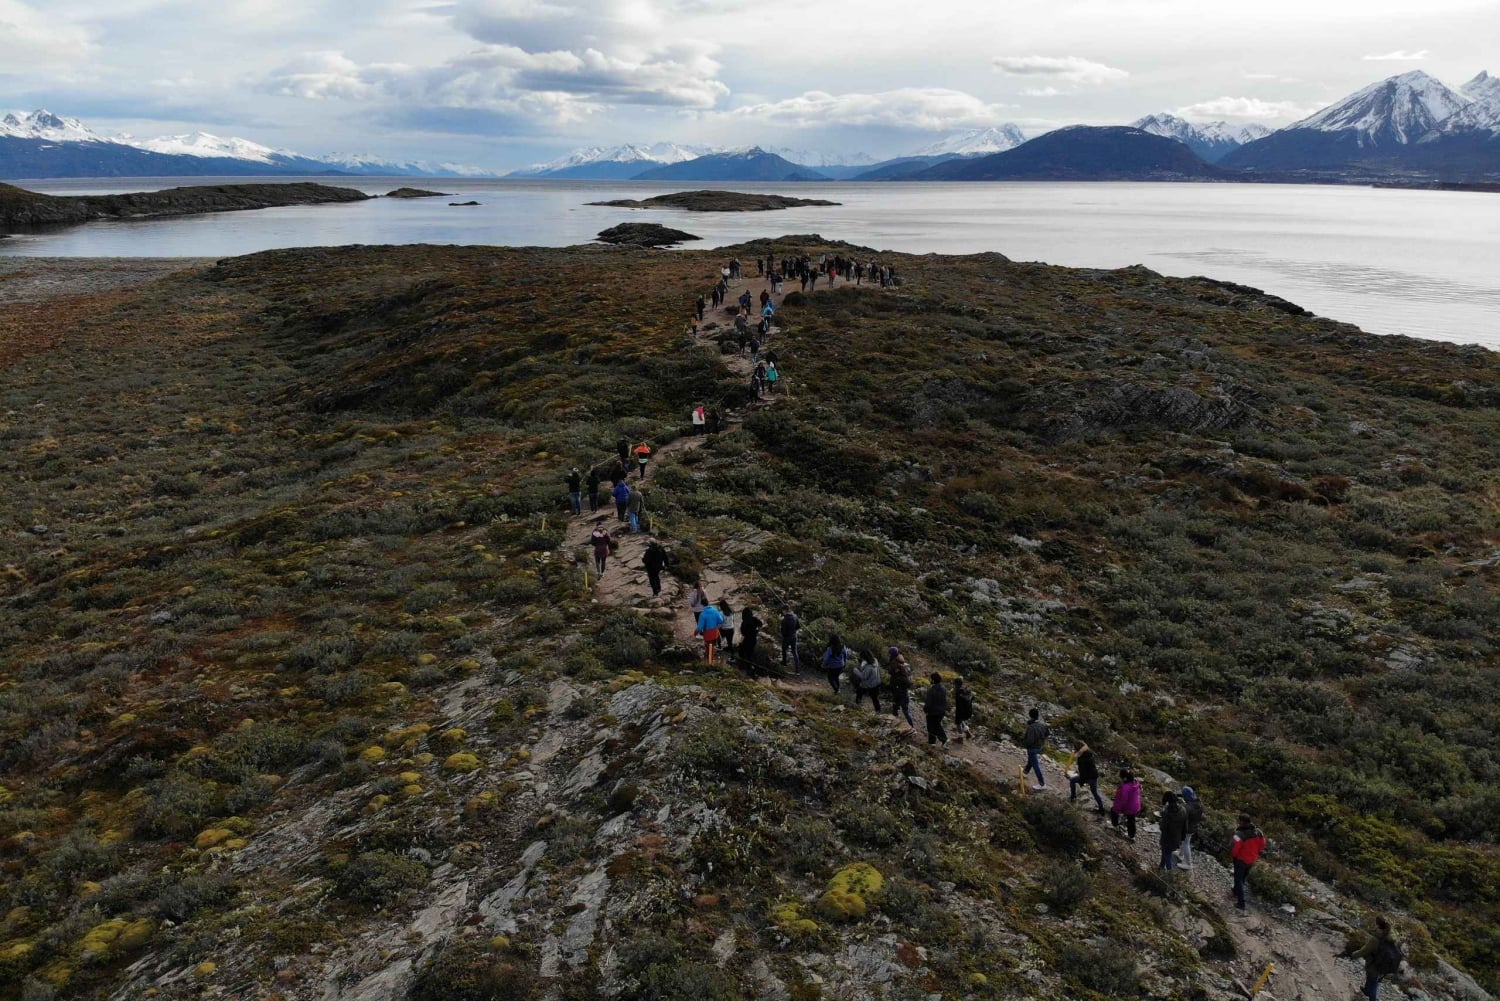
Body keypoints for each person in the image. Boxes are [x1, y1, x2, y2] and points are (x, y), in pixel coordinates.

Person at [1348, 916, 1403, 1001]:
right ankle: (1366, 990)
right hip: (1385, 964)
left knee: (1373, 982)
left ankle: (1373, 998)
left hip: (1374, 964)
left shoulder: (1375, 939)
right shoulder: (1391, 936)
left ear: (1377, 925)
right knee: (1373, 979)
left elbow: (1364, 951)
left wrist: (1353, 955)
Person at [1230, 814, 1267, 911]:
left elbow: (1235, 848)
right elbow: (1263, 844)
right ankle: (1235, 891)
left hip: (1241, 859)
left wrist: (1234, 856)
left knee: (1239, 880)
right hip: (1251, 860)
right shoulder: (1258, 832)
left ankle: (1241, 903)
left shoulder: (1239, 834)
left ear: (1242, 822)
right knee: (1243, 878)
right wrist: (1257, 853)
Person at [1068, 743, 1106, 812]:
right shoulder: (1089, 753)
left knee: (1072, 780)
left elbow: (1083, 773)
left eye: (1075, 749)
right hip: (1094, 776)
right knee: (1095, 793)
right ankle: (1101, 809)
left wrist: (1081, 782)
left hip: (1088, 777)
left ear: (1078, 749)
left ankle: (1073, 797)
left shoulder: (1081, 759)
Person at [1158, 791, 1188, 871]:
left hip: (1167, 837)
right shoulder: (1183, 810)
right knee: (1167, 852)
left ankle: (1169, 872)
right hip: (1177, 837)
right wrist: (1182, 838)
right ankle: (1161, 866)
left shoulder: (1167, 813)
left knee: (1167, 854)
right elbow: (1185, 826)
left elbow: (1162, 827)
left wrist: (1160, 821)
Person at [1110, 770, 1142, 842]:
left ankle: (1115, 826)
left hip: (1128, 807)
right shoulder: (1136, 783)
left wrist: (1117, 808)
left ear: (1124, 778)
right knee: (1131, 820)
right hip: (1136, 806)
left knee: (1113, 811)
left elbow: (1123, 800)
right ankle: (1132, 836)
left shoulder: (1125, 788)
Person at [886, 646, 914, 728]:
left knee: (902, 710)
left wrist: (896, 695)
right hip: (902, 694)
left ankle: (901, 725)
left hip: (900, 694)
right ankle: (910, 726)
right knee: (904, 711)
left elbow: (891, 672)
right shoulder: (900, 661)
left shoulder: (898, 674)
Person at [1022, 708, 1049, 788]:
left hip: (1032, 748)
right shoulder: (1042, 725)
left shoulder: (1031, 727)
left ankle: (1042, 784)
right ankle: (1025, 772)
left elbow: (1029, 740)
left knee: (1035, 765)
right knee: (1031, 760)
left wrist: (1024, 743)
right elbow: (1047, 734)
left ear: (1030, 715)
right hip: (1039, 746)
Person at [1179, 787, 1203, 868]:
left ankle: (1188, 863)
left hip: (1187, 828)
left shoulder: (1187, 807)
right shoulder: (1199, 803)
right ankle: (1181, 854)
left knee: (1186, 844)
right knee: (1184, 842)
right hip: (1194, 826)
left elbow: (1183, 817)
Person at [695, 600, 725, 665]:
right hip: (715, 633)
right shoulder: (715, 610)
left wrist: (695, 633)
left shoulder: (702, 614)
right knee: (713, 646)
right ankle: (712, 659)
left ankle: (710, 662)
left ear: (702, 605)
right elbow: (721, 620)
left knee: (708, 647)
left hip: (707, 635)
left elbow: (699, 627)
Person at [923, 673, 949, 746]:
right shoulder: (943, 688)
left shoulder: (931, 690)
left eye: (931, 679)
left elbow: (929, 702)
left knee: (932, 726)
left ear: (933, 680)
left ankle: (943, 740)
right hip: (941, 711)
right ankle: (933, 742)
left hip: (933, 711)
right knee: (936, 725)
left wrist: (926, 709)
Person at [739, 607, 763, 675]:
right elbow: (761, 624)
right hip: (753, 639)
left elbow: (743, 633)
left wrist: (741, 642)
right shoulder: (754, 619)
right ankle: (751, 667)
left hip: (747, 640)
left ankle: (746, 667)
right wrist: (757, 631)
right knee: (751, 653)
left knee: (744, 653)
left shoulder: (744, 623)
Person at [953, 677, 974, 741]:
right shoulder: (965, 690)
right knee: (961, 721)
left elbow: (959, 703)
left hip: (961, 711)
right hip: (968, 710)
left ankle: (960, 738)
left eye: (955, 684)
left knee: (958, 723)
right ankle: (968, 733)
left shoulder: (959, 692)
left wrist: (958, 712)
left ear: (957, 684)